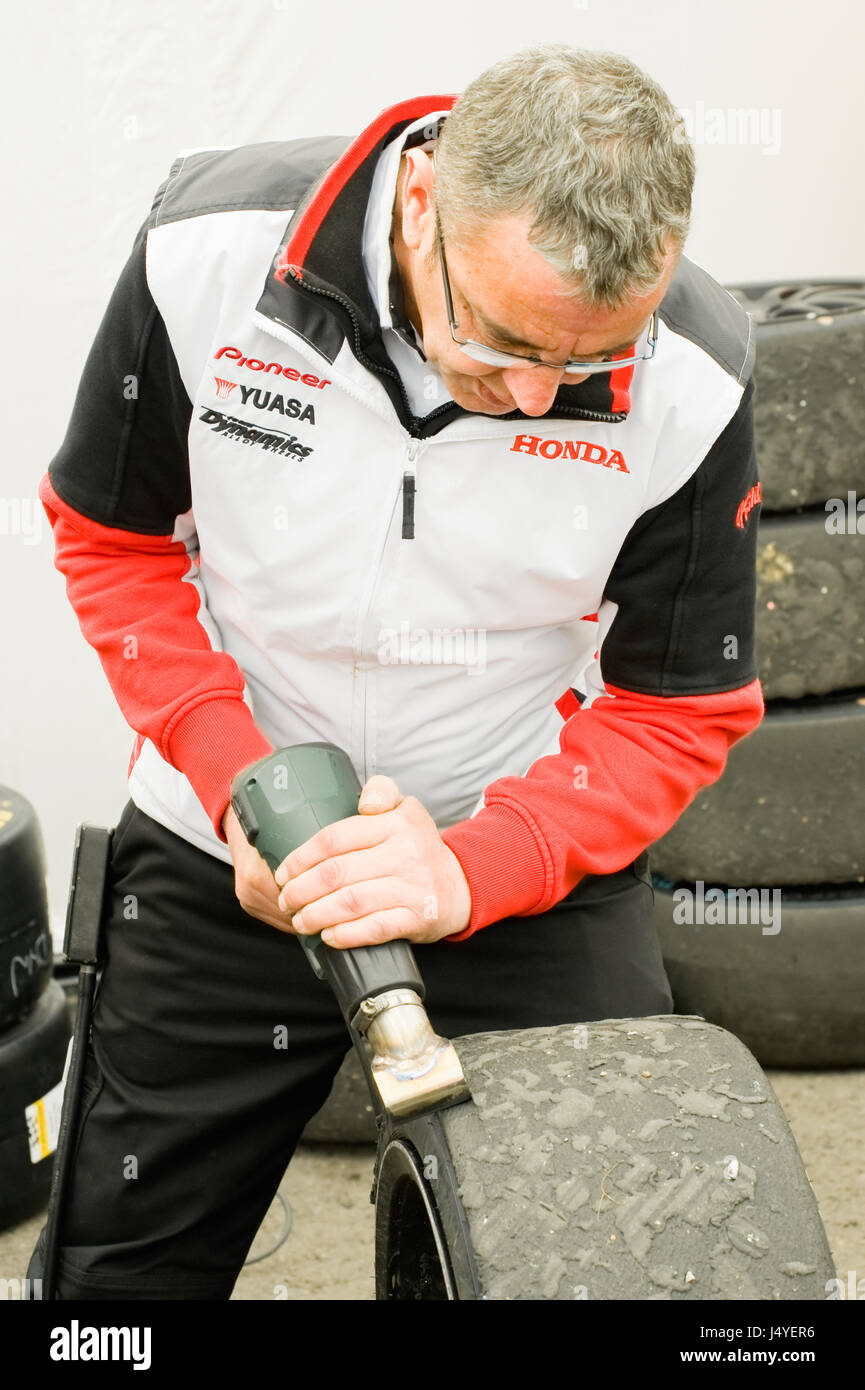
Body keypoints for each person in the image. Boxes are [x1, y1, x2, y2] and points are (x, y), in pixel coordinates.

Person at [29, 45, 763, 1299]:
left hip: (513, 857)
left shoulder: (695, 373)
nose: (536, 395)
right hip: (227, 854)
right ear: (421, 204)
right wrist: (232, 779)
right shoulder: (205, 253)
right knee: (113, 1297)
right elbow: (112, 541)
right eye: (503, 341)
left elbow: (676, 704)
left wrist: (469, 868)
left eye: (585, 365)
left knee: (616, 1271)